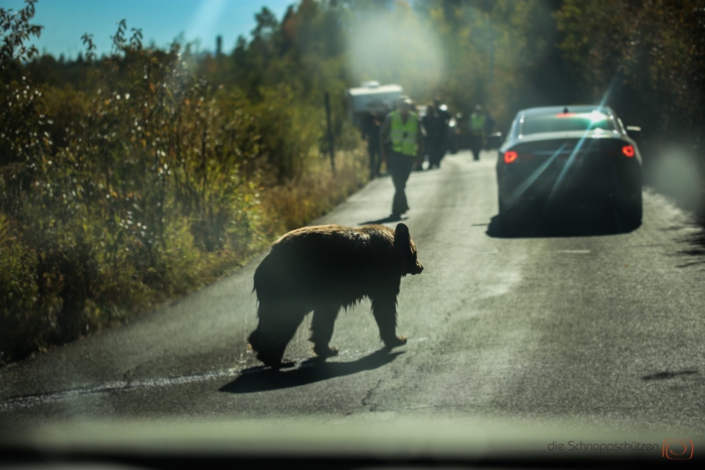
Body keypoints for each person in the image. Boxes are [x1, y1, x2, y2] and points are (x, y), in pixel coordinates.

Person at [379, 97, 425, 220]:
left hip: (409, 156)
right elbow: (382, 135)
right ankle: (396, 210)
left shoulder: (415, 119)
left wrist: (419, 156)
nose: (405, 108)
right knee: (398, 183)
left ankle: (401, 207)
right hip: (394, 154)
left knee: (402, 183)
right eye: (403, 106)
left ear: (410, 108)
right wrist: (384, 155)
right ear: (399, 107)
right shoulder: (391, 117)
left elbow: (421, 138)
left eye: (408, 106)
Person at [422, 102, 444, 169]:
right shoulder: (425, 119)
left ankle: (436, 163)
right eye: (429, 109)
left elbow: (439, 127)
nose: (430, 111)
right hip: (428, 138)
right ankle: (431, 163)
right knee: (429, 152)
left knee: (437, 152)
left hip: (436, 138)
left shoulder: (436, 118)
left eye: (431, 109)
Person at [361, 110, 383, 178]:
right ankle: (372, 173)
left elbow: (382, 134)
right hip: (372, 145)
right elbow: (362, 136)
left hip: (378, 144)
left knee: (380, 158)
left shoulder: (378, 126)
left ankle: (377, 171)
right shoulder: (368, 127)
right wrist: (368, 139)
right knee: (372, 160)